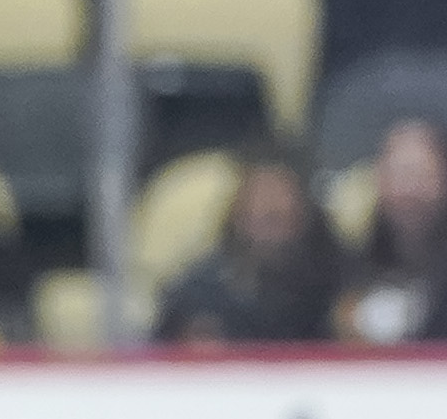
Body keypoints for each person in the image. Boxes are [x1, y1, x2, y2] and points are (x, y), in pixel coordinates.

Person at [156, 145, 339, 347]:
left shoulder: (336, 281)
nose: (268, 205)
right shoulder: (202, 291)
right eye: (259, 194)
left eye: (280, 196)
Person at [338, 117, 447, 347]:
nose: (409, 191)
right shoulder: (349, 260)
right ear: (379, 180)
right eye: (398, 175)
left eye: (420, 175)